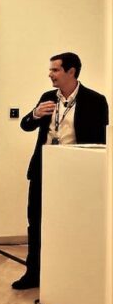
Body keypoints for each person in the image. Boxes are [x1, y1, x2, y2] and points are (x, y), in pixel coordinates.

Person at [15, 52, 108, 290]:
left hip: (75, 174)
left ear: (71, 71)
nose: (50, 74)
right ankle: (33, 274)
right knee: (36, 223)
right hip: (43, 171)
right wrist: (35, 114)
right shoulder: (48, 97)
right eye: (51, 70)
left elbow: (101, 141)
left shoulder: (95, 101)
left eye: (55, 70)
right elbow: (25, 125)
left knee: (74, 224)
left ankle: (72, 274)